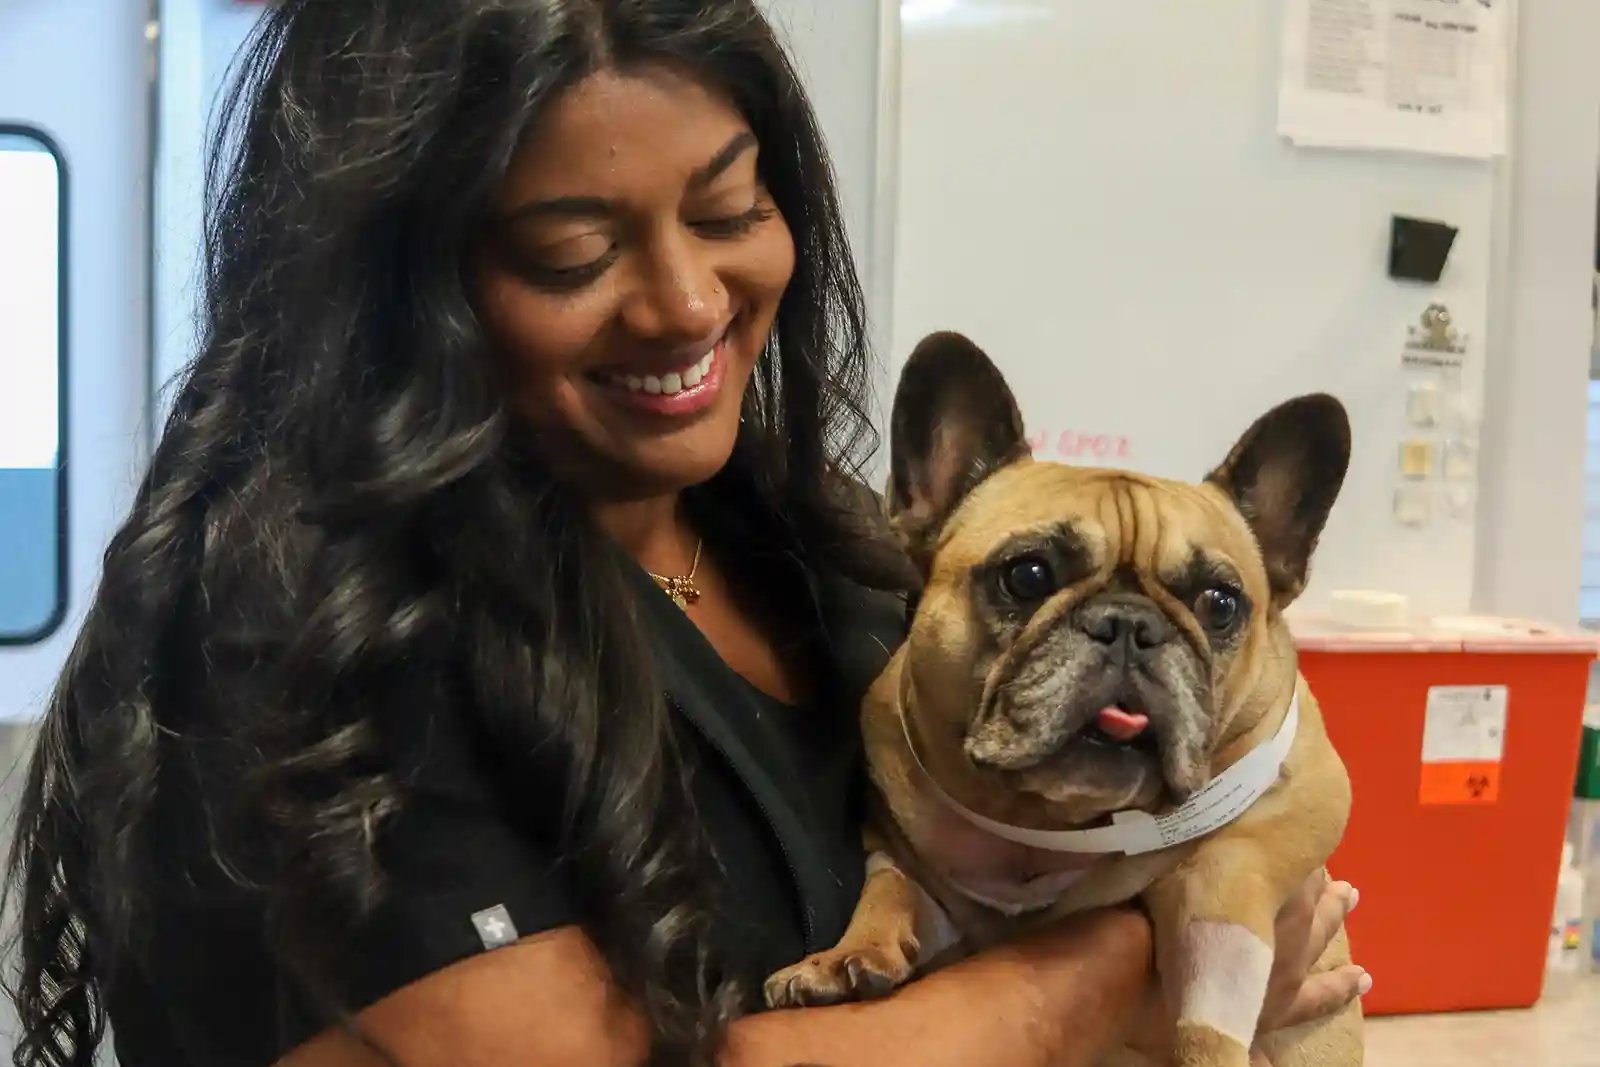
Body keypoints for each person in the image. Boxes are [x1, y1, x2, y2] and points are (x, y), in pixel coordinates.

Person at [3, 3, 1366, 1066]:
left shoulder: (804, 545)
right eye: (574, 253)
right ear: (396, 285)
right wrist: (1148, 963)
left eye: (729, 211)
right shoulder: (317, 631)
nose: (685, 302)